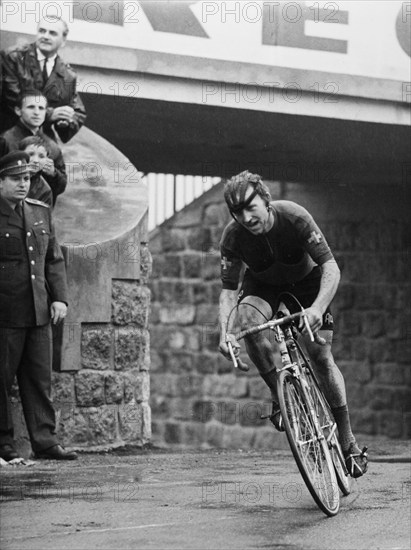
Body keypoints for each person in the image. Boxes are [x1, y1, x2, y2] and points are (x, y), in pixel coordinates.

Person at [218, 171, 368, 478]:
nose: (246, 217)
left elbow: (331, 267)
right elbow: (229, 290)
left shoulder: (294, 216)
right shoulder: (233, 237)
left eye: (251, 207)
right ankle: (280, 394)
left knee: (321, 356)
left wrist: (317, 308)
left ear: (266, 200)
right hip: (263, 286)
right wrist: (225, 333)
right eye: (238, 212)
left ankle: (347, 440)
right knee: (248, 322)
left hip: (307, 283)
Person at [0, 151, 77, 461]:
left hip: (38, 310)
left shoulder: (39, 211)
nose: (23, 184)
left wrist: (59, 297)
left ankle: (45, 441)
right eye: (16, 179)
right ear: (0, 181)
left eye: (26, 179)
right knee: (1, 381)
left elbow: (53, 259)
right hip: (5, 313)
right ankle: (3, 444)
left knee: (39, 379)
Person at [1, 16, 86, 143]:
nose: (45, 36)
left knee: (54, 160)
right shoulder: (13, 57)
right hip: (10, 137)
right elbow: (13, 99)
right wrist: (50, 114)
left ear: (63, 40)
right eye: (42, 31)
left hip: (42, 141)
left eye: (52, 33)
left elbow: (78, 112)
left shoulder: (68, 75)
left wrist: (65, 120)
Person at [0, 90, 67, 205]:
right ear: (18, 110)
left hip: (41, 211)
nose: (36, 113)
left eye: (41, 108)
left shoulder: (52, 145)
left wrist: (53, 173)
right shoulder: (6, 140)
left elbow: (61, 186)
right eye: (31, 107)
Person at [18, 136, 53, 206]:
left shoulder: (45, 190)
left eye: (41, 156)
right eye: (31, 154)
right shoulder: (5, 177)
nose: (36, 161)